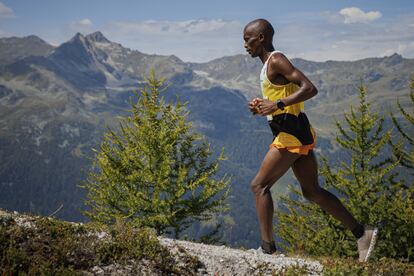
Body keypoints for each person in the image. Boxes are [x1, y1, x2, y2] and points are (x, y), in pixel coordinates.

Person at [243, 18, 378, 262]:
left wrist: (277, 104)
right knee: (312, 191)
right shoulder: (267, 65)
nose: (244, 45)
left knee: (258, 186)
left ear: (261, 38)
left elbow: (309, 88)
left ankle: (267, 251)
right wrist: (264, 106)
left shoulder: (277, 60)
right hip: (296, 131)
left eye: (247, 39)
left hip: (290, 135)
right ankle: (362, 233)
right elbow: (280, 98)